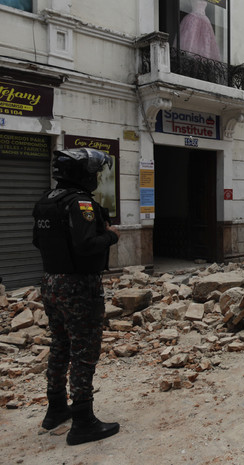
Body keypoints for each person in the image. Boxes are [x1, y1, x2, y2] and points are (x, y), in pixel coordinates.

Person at [32, 148, 121, 446]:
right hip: (79, 286)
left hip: (51, 282)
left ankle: (56, 407)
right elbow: (86, 245)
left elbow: (36, 240)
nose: (95, 177)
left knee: (61, 344)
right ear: (82, 175)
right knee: (84, 350)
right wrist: (111, 235)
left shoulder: (48, 201)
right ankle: (83, 421)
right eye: (93, 173)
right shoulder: (80, 203)